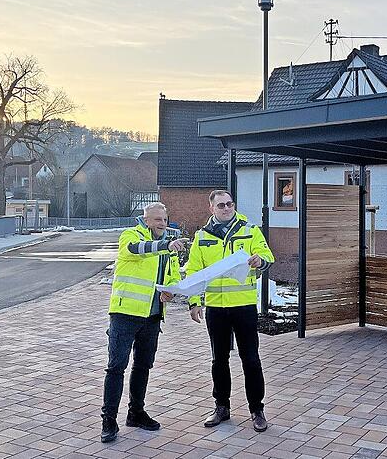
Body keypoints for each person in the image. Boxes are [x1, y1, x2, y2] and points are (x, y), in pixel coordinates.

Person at [187, 189, 274, 432]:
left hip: (243, 306)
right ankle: (221, 408)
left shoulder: (250, 230)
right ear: (211, 208)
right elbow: (193, 271)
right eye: (221, 205)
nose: (226, 208)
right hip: (216, 308)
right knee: (219, 360)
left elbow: (267, 255)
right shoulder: (202, 236)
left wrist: (259, 260)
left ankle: (257, 410)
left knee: (251, 359)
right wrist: (194, 302)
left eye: (230, 204)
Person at [100, 202, 188, 443]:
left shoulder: (168, 246)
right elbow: (136, 249)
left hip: (152, 317)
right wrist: (165, 245)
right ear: (145, 220)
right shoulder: (131, 236)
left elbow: (172, 276)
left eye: (165, 220)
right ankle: (109, 420)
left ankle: (136, 413)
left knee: (142, 366)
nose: (162, 224)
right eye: (157, 220)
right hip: (125, 314)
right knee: (116, 367)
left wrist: (170, 290)